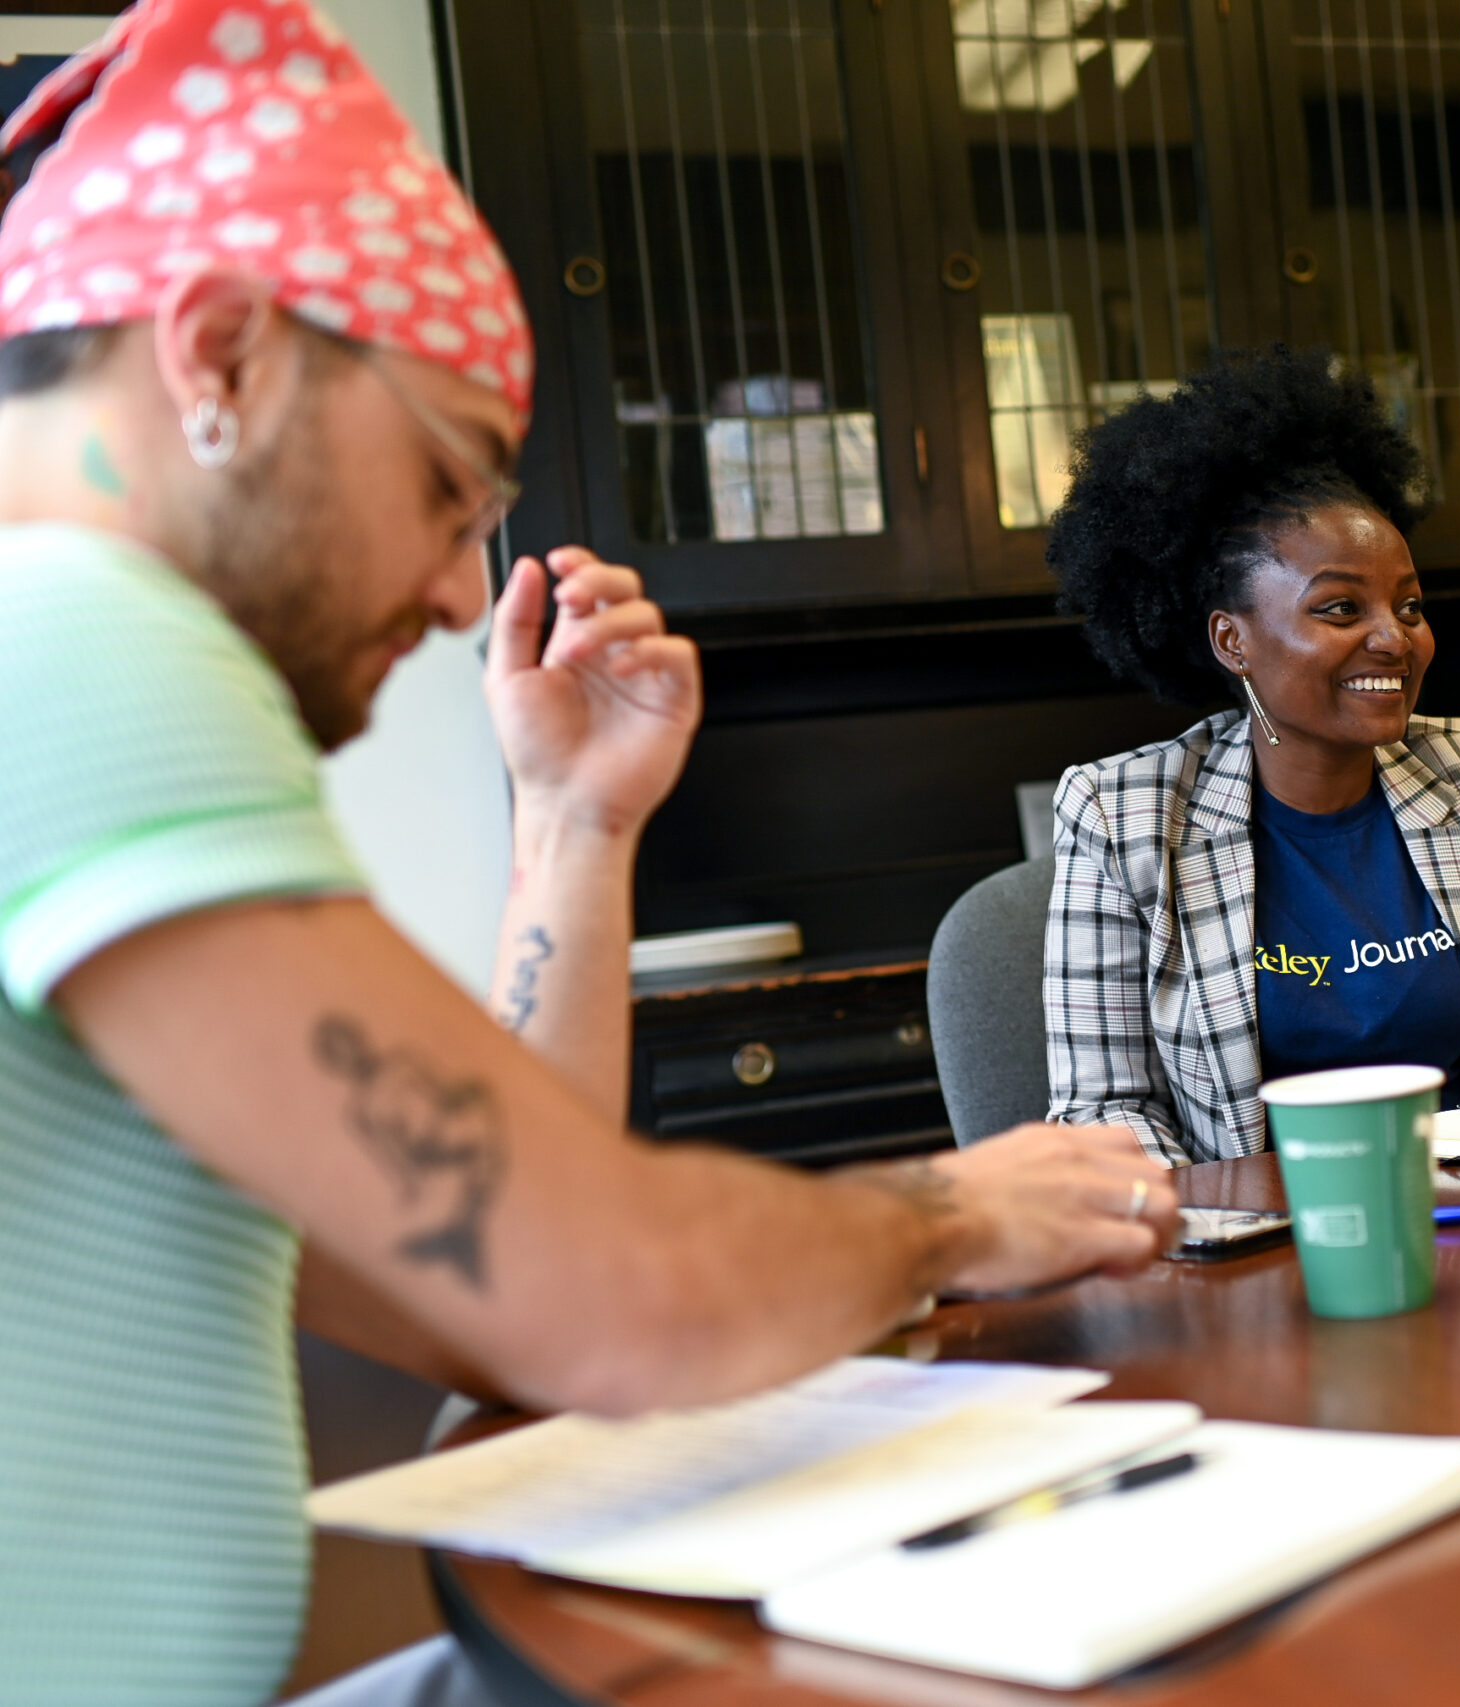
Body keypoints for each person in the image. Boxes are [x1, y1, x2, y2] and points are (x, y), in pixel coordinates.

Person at [0, 4, 1178, 1702]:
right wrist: (948, 1208)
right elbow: (607, 1302)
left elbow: (490, 1297)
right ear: (225, 352)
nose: (450, 596)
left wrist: (574, 819)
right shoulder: (80, 634)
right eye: (445, 482)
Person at [1043, 347, 1460, 1166]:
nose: (1395, 637)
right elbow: (1105, 1112)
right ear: (1231, 638)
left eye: (1409, 604)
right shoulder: (1122, 814)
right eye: (1341, 607)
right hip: (1246, 1250)